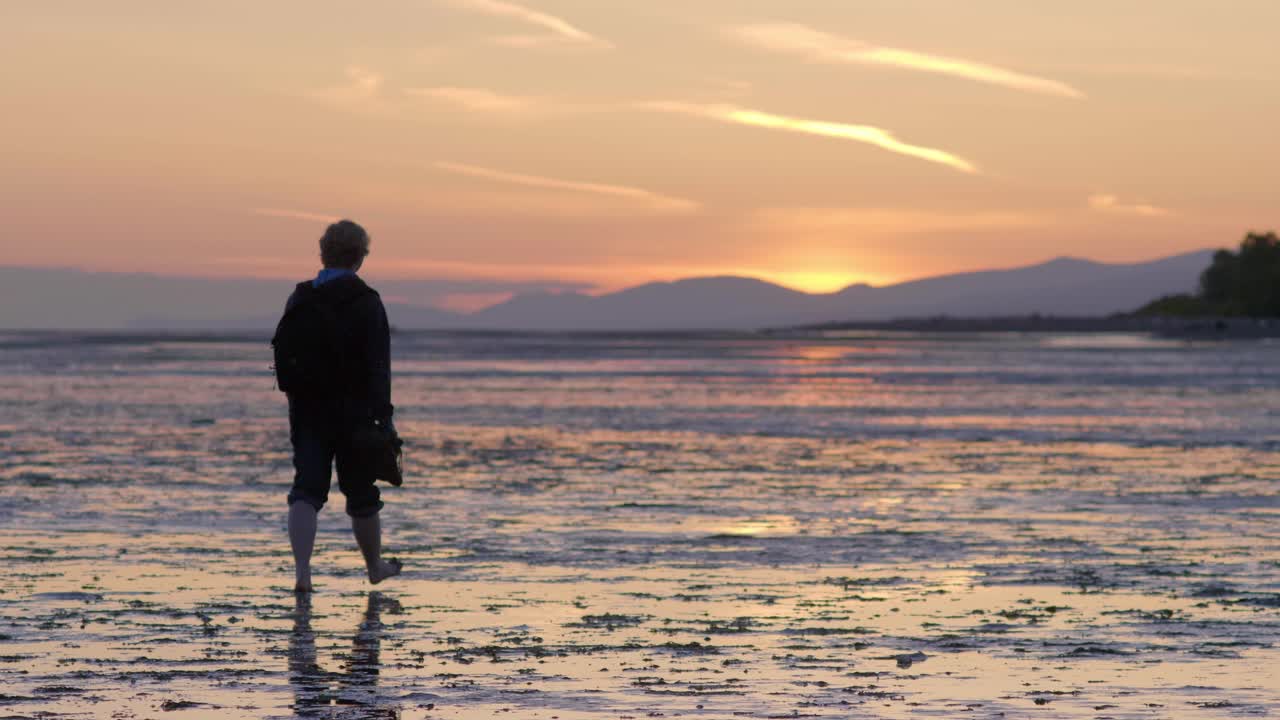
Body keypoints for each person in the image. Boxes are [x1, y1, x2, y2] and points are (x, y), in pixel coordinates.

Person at [276, 219, 402, 593]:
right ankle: (374, 567)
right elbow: (379, 366)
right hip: (356, 413)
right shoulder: (367, 301)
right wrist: (384, 418)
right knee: (362, 494)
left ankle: (302, 573)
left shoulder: (300, 297)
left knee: (306, 490)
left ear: (323, 252)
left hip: (308, 408)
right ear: (360, 258)